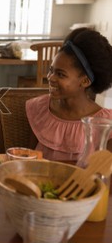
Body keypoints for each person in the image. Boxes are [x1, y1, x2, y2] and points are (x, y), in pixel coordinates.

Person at [26, 27, 112, 161]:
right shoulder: (39, 109)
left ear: (85, 81)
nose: (50, 77)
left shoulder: (105, 124)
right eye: (51, 70)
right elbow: (27, 157)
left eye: (60, 74)